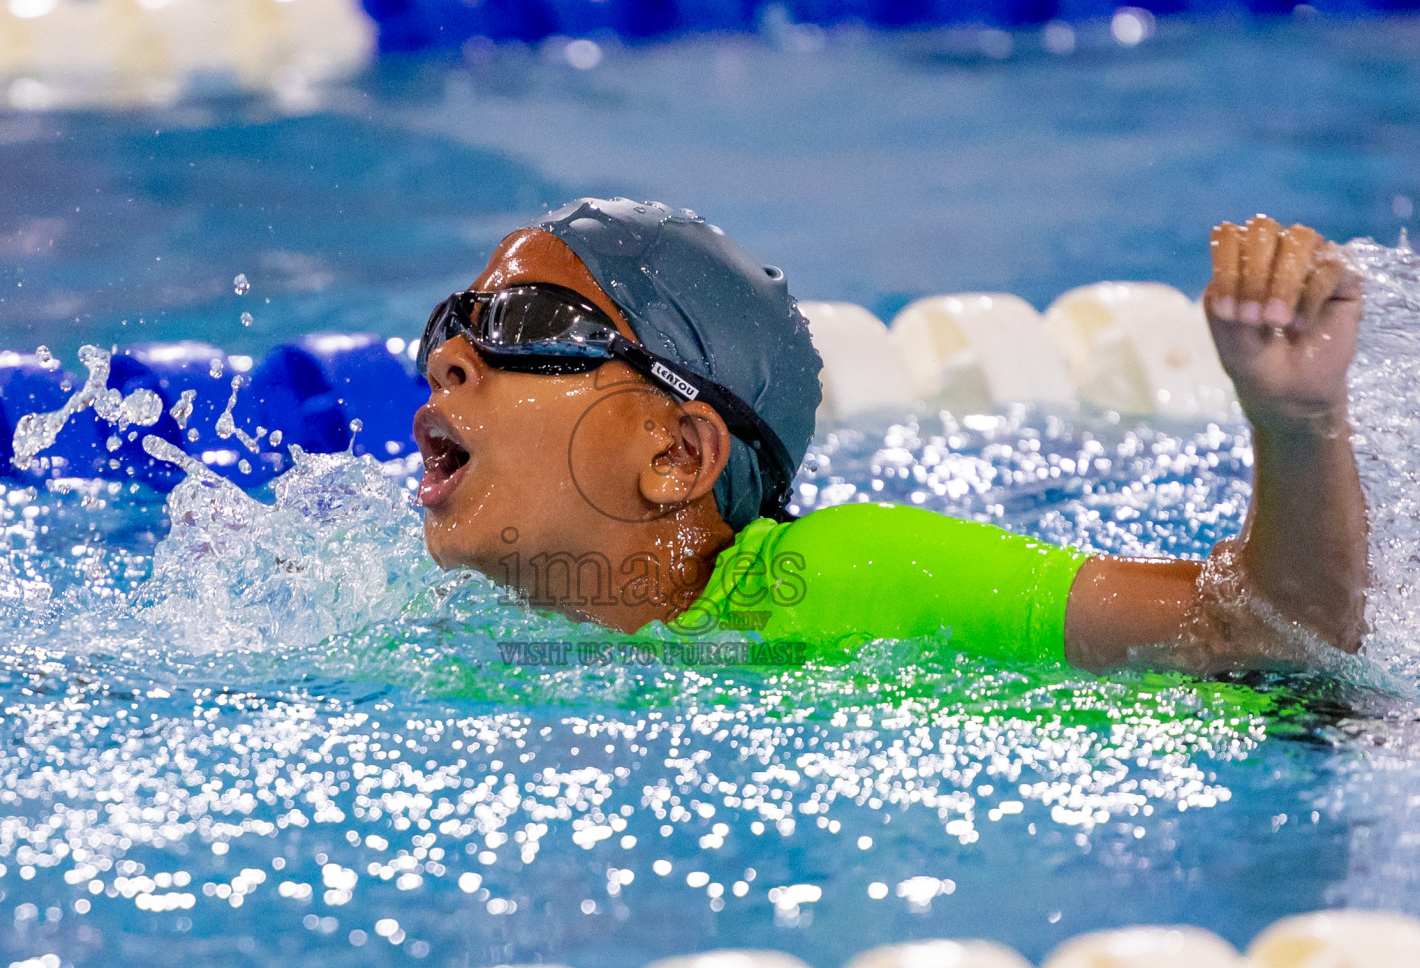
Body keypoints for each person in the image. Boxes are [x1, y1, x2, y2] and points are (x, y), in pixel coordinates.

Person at [413, 198, 1367, 674]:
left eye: (533, 324)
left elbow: (1268, 632)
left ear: (678, 455)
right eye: (453, 319)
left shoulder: (838, 579)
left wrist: (1297, 422)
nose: (452, 354)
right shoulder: (452, 631)